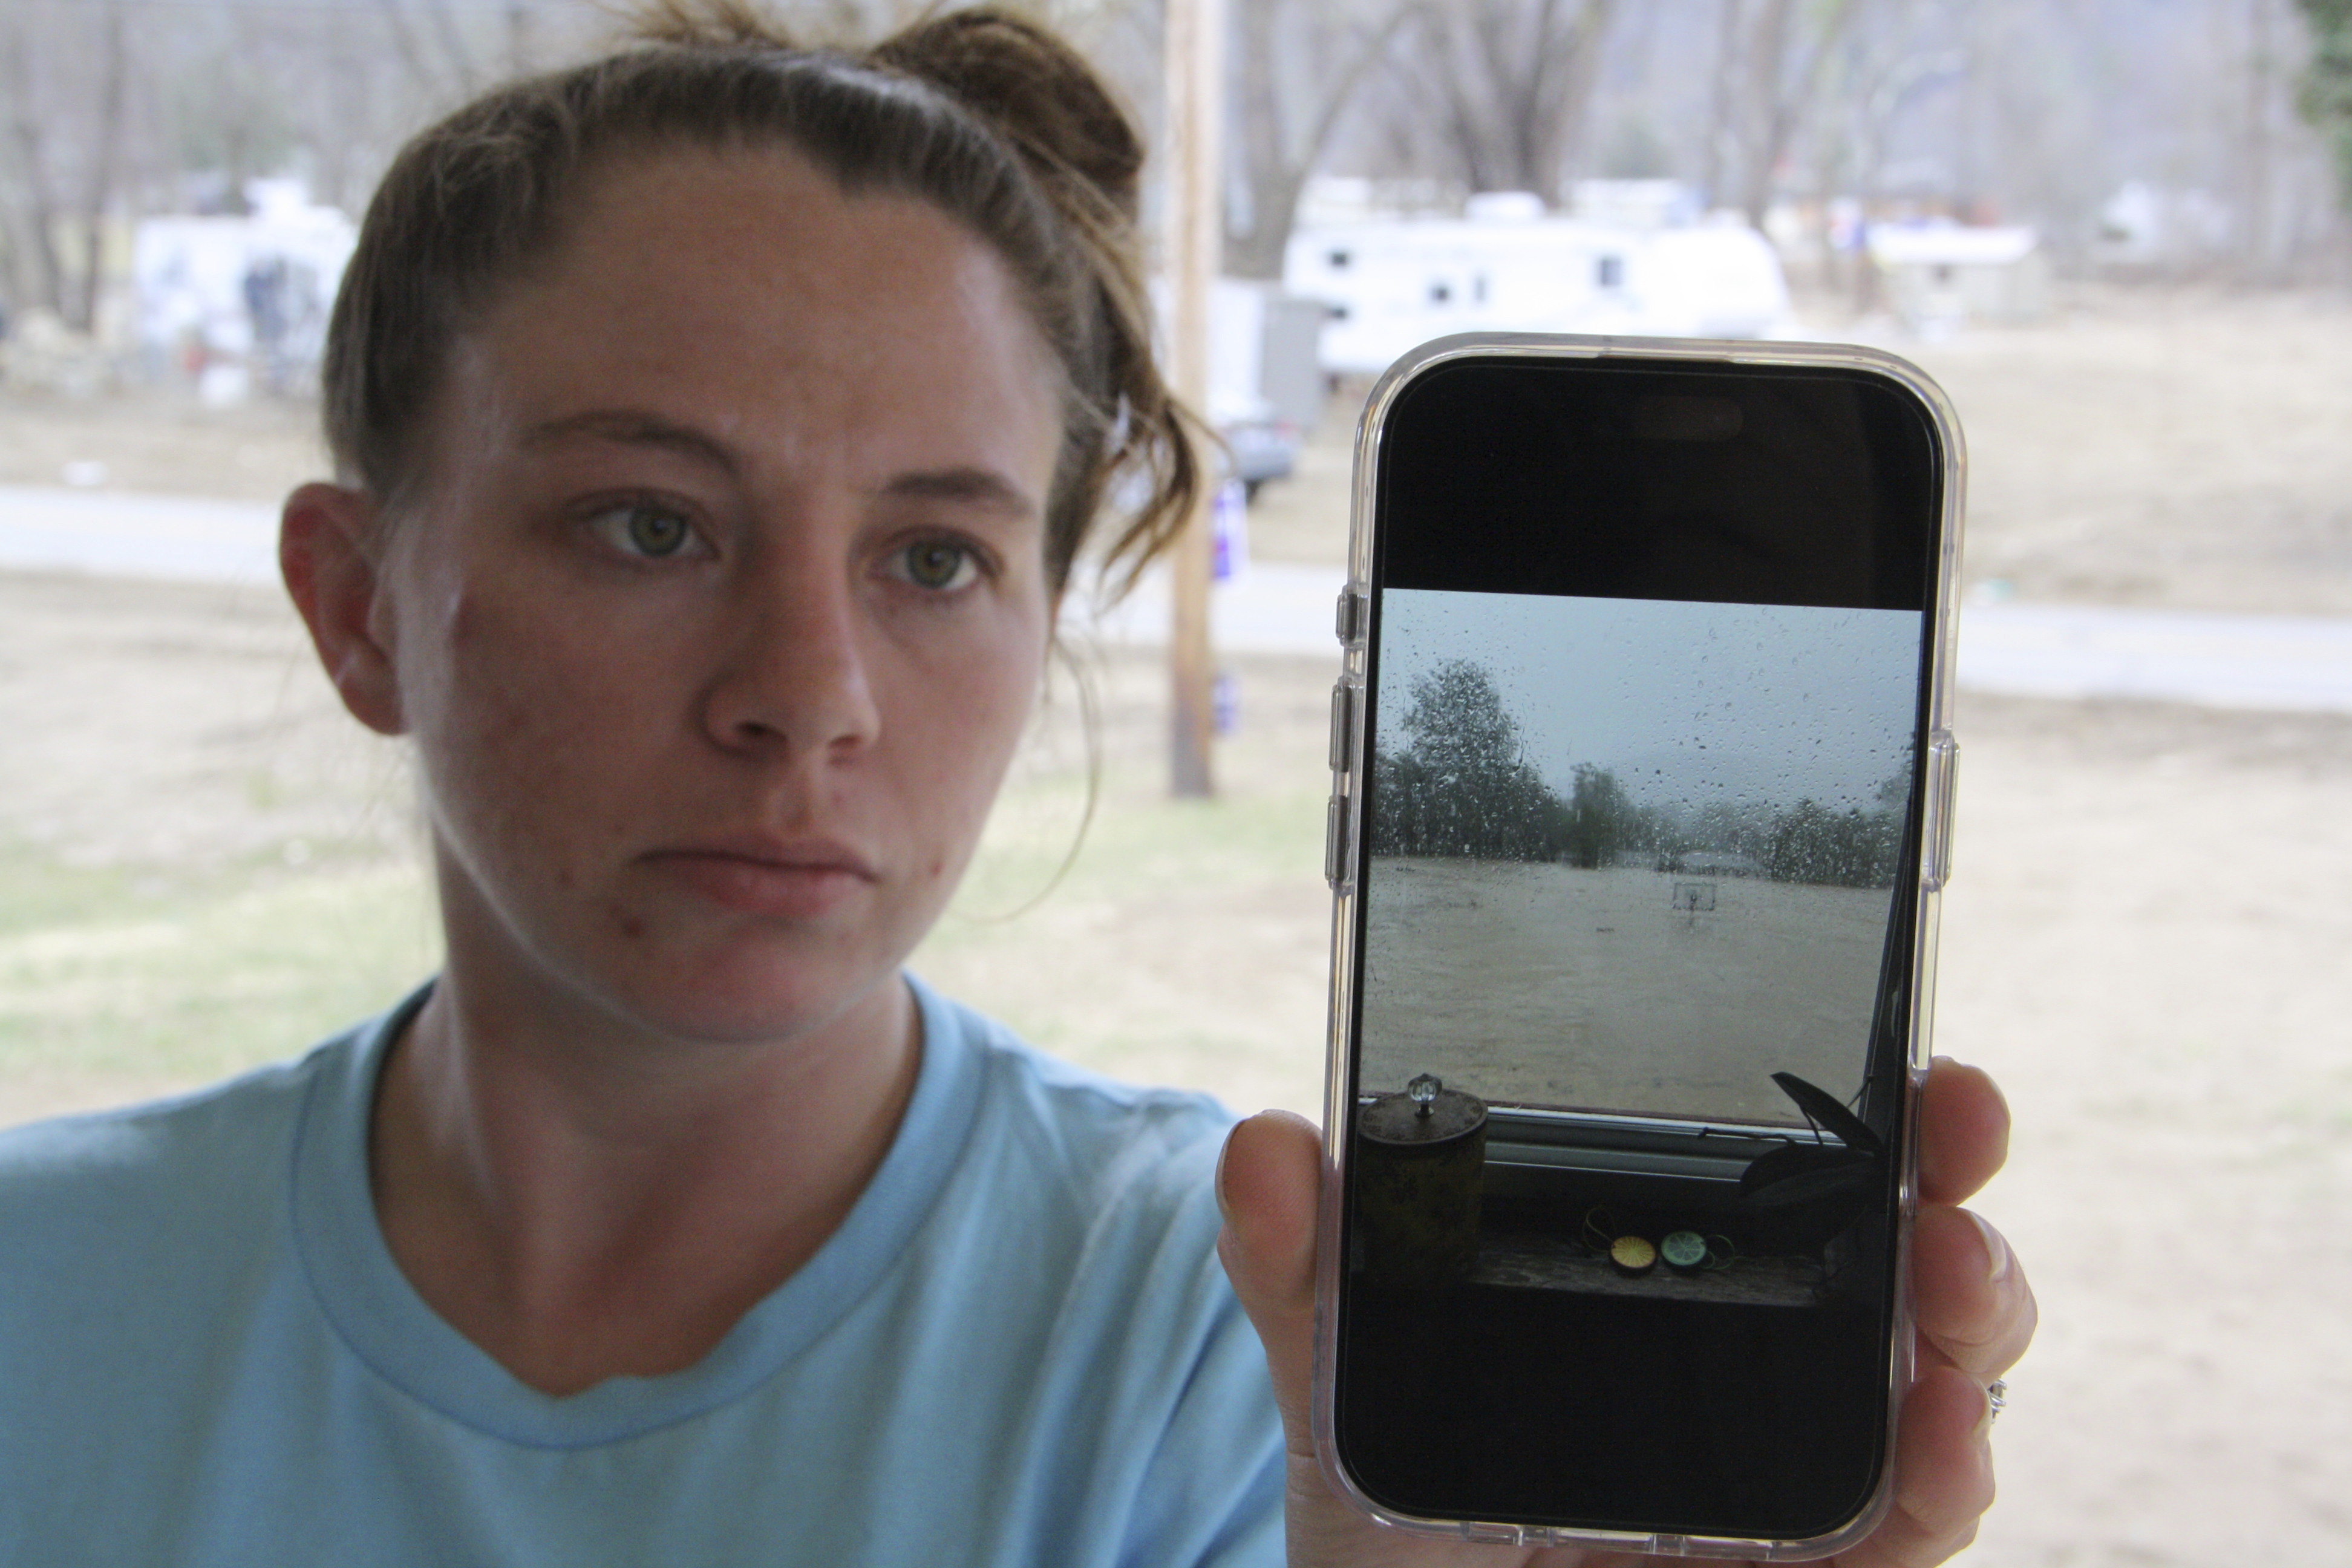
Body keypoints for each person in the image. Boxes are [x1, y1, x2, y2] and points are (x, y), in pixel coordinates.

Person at [0, 6, 2034, 1564]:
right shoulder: (41, 1298)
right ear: (358, 609)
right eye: (648, 525)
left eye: (935, 558)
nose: (811, 698)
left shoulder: (1258, 1368)